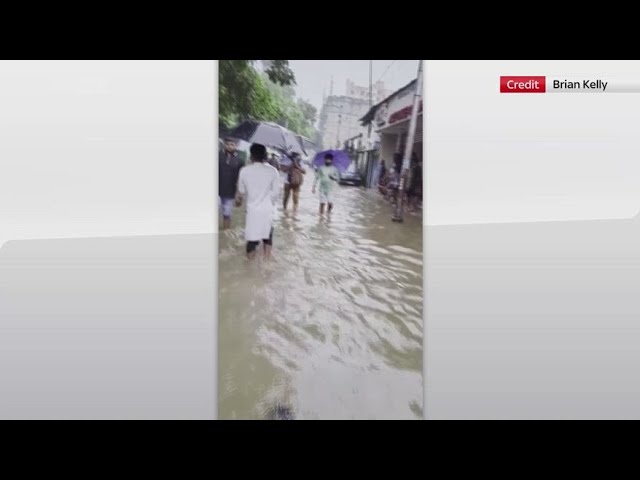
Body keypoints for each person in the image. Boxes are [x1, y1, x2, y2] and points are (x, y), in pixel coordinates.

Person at [235, 143, 281, 260]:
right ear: (265, 155)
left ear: (251, 155)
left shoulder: (244, 170)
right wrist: (267, 200)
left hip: (252, 211)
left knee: (251, 240)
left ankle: (249, 267)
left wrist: (239, 201)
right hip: (268, 210)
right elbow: (276, 193)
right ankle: (266, 263)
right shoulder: (273, 171)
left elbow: (241, 191)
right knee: (267, 237)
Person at [218, 137, 243, 230]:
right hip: (216, 191)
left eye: (232, 145)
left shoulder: (239, 160)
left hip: (230, 193)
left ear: (236, 146)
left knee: (227, 214)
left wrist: (239, 195)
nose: (229, 146)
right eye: (227, 144)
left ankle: (226, 233)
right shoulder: (218, 156)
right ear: (224, 145)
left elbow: (241, 178)